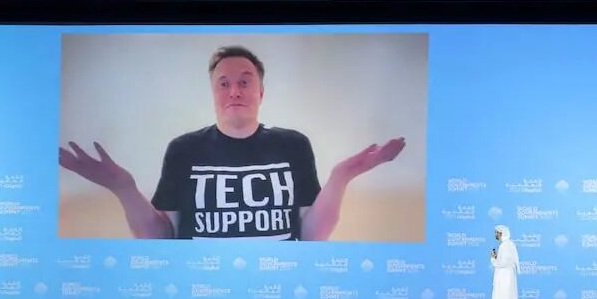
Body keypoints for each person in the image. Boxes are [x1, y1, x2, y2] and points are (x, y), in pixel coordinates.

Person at [58, 44, 405, 240]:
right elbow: (162, 240)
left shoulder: (293, 145)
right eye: (223, 84)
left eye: (245, 81)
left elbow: (312, 236)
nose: (234, 91)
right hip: (201, 287)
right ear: (213, 93)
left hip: (276, 285)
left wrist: (342, 177)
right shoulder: (183, 149)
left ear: (261, 92)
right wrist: (123, 187)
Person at [484, 224, 521, 299]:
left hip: (504, 279)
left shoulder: (505, 246)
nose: (495, 234)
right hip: (506, 278)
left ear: (501, 233)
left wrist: (493, 258)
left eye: (496, 232)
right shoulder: (509, 245)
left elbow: (502, 263)